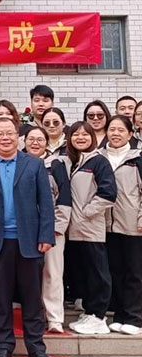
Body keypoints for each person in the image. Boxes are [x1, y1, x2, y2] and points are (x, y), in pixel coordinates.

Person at [0, 118, 55, 357]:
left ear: (18, 137)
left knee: (32, 299)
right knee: (1, 298)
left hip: (29, 241)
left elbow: (46, 203)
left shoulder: (34, 164)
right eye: (0, 134)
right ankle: (3, 347)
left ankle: (36, 348)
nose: (5, 138)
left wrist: (46, 235)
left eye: (10, 133)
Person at [66, 121, 116, 335]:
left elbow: (108, 194)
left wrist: (86, 213)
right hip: (76, 230)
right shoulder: (76, 162)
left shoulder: (99, 161)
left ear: (92, 137)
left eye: (85, 134)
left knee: (97, 272)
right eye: (76, 134)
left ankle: (99, 316)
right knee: (85, 272)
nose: (80, 138)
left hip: (91, 228)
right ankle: (90, 312)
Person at [23, 126, 72, 334]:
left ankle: (54, 318)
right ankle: (33, 315)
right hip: (25, 230)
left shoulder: (56, 165)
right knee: (28, 274)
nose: (35, 143)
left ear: (46, 142)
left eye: (40, 139)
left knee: (52, 273)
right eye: (31, 139)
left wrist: (58, 227)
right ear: (24, 142)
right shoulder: (18, 163)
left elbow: (64, 197)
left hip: (52, 229)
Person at [100, 115, 142, 335]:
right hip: (107, 225)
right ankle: (119, 315)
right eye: (112, 129)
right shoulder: (99, 157)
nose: (115, 134)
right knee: (114, 271)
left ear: (130, 134)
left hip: (133, 225)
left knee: (134, 272)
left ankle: (135, 317)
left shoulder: (138, 159)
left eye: (121, 130)